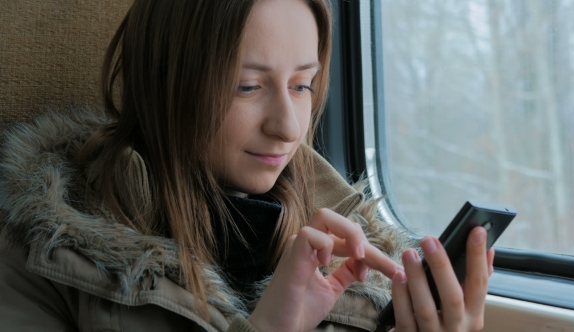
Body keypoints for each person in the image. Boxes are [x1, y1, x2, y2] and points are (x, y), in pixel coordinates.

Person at [0, 0, 494, 331]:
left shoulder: (362, 268)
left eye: (302, 85)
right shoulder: (40, 256)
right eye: (247, 86)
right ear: (168, 84)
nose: (289, 127)